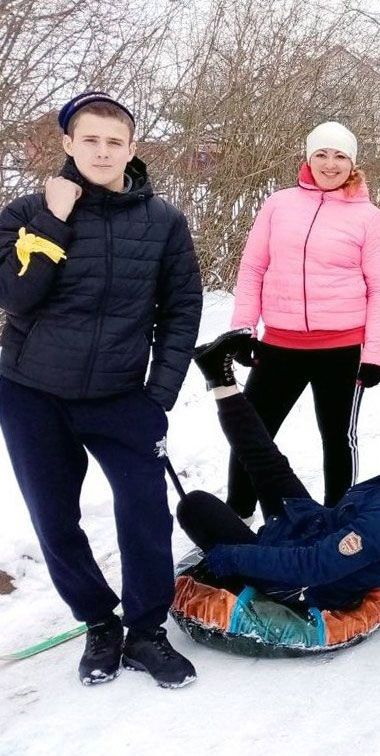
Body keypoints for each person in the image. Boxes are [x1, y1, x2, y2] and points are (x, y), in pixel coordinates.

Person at [0, 92, 202, 689]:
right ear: (68, 143)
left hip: (121, 396)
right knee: (55, 520)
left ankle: (145, 631)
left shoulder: (163, 222)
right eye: (90, 139)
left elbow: (182, 308)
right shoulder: (27, 211)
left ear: (132, 148)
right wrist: (53, 221)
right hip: (31, 394)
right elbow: (15, 297)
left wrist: (159, 393)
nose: (102, 151)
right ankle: (98, 623)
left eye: (115, 142)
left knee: (145, 513)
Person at [180, 330, 380, 608]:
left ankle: (237, 572)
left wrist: (229, 557)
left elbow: (312, 566)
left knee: (195, 506)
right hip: (312, 530)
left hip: (297, 584)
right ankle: (219, 376)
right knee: (268, 462)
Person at [227, 121, 380, 520]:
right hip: (278, 344)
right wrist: (243, 330)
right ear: (308, 157)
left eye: (339, 156)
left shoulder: (369, 217)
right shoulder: (278, 205)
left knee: (338, 439)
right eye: (321, 154)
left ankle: (339, 519)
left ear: (352, 163)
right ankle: (238, 516)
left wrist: (375, 355)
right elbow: (252, 268)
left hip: (341, 349)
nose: (330, 164)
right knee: (252, 434)